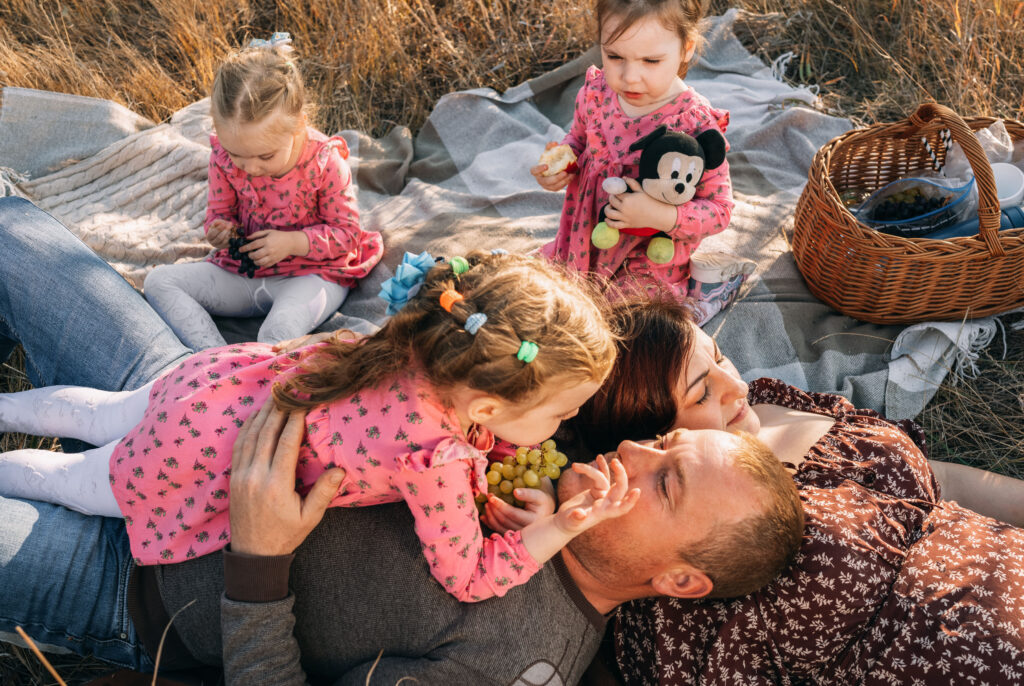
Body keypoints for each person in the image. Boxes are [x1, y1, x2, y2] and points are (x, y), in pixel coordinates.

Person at [0, 196, 803, 684]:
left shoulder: (520, 658)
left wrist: (259, 559)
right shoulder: (536, 454)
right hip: (208, 398)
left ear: (681, 581)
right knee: (15, 233)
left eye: (665, 483)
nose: (630, 458)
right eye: (660, 443)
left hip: (139, 583)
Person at [0, 247, 646, 603]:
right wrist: (561, 526)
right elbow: (468, 576)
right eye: (561, 412)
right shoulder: (435, 457)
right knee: (73, 478)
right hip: (194, 462)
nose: (565, 425)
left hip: (209, 389)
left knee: (97, 411)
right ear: (484, 407)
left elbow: (493, 419)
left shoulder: (430, 341)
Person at [569, 297, 1024, 684]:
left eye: (720, 356)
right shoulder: (693, 550)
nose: (737, 385)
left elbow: (943, 480)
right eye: (700, 394)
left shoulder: (768, 403)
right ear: (644, 438)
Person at [143, 33, 383, 350]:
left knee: (276, 335)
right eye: (237, 154)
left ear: (297, 125)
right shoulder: (225, 159)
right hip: (243, 275)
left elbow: (347, 235)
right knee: (159, 282)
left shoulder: (324, 162)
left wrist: (292, 242)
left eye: (265, 156)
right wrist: (219, 231)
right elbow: (219, 213)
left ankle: (256, 364)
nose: (249, 168)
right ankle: (215, 359)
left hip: (311, 276)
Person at [532, 0, 748, 323]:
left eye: (651, 60)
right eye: (615, 56)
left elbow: (720, 209)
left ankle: (706, 294)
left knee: (625, 329)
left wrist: (661, 214)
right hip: (581, 242)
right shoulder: (596, 93)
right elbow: (578, 138)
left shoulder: (694, 123)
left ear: (686, 49)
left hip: (646, 263)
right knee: (542, 299)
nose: (630, 77)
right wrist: (563, 164)